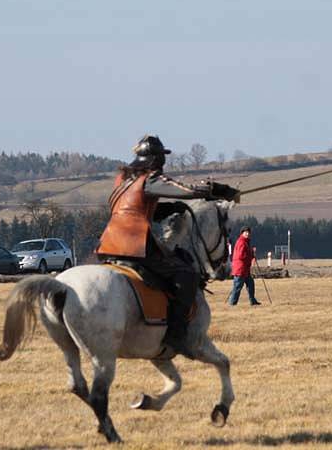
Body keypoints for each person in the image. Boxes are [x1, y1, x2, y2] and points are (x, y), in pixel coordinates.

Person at [96, 134, 240, 357]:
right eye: (161, 158)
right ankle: (176, 335)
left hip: (109, 243)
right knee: (186, 275)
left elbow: (136, 209)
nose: (163, 163)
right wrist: (218, 190)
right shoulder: (149, 179)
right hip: (135, 245)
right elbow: (186, 190)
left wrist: (171, 207)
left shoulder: (124, 180)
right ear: (154, 159)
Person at [227, 226, 260, 306]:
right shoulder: (241, 242)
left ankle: (253, 301)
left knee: (251, 284)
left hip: (244, 269)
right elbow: (241, 255)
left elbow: (246, 254)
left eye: (249, 233)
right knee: (237, 287)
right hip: (240, 269)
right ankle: (232, 303)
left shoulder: (245, 242)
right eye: (246, 232)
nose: (248, 234)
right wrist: (250, 255)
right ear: (242, 233)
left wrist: (251, 253)